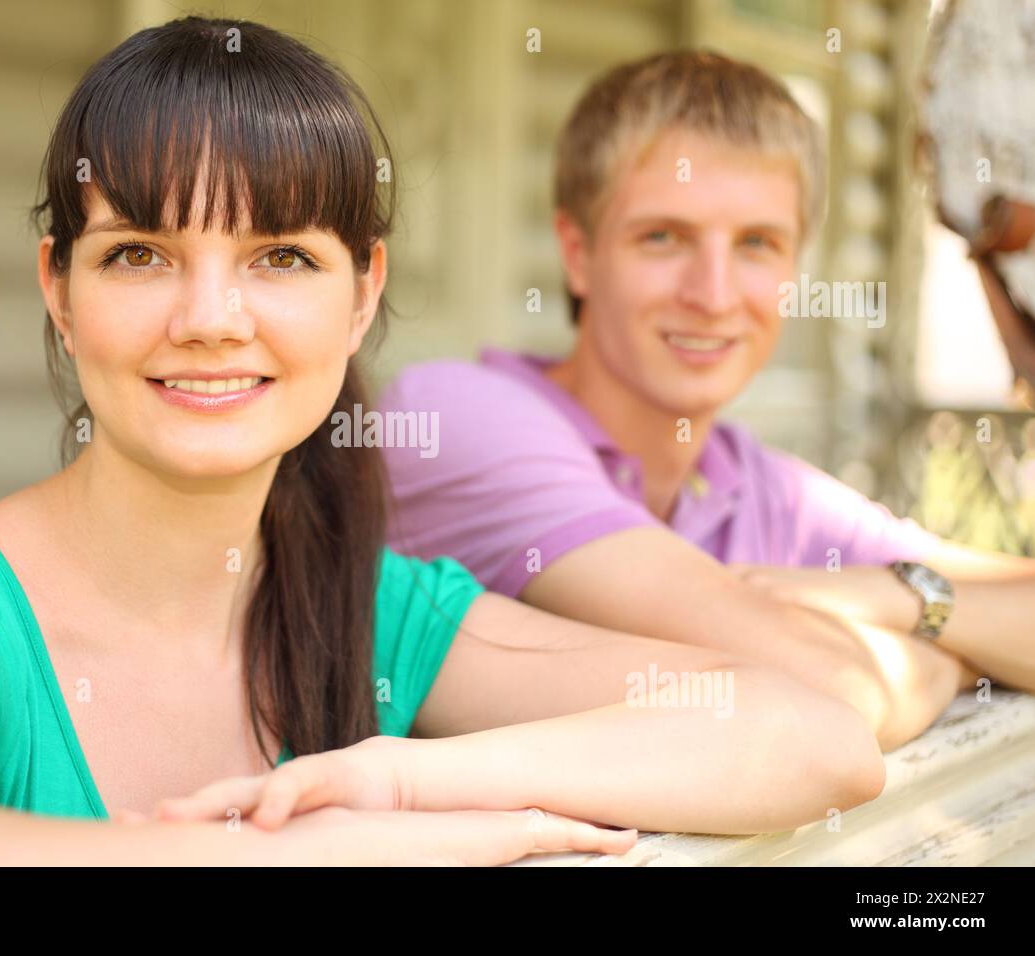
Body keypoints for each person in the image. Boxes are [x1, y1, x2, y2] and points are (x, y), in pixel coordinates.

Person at [0, 21, 883, 866]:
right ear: (57, 291)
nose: (210, 316)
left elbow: (812, 734)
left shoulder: (381, 615)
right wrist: (317, 849)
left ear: (364, 295)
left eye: (280, 257)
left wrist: (406, 783)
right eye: (138, 254)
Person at [378, 50, 1035, 755]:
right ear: (576, 253)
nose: (715, 295)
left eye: (757, 244)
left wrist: (901, 597)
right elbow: (831, 689)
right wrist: (958, 652)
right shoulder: (454, 419)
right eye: (663, 237)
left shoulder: (761, 486)